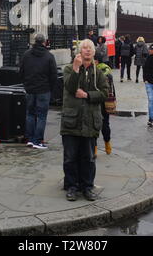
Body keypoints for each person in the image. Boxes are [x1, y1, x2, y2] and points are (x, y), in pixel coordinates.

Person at [61, 39, 109, 202]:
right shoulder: (69, 68)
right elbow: (70, 87)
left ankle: (87, 187)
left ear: (94, 52)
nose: (87, 50)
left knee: (88, 158)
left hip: (90, 122)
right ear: (79, 52)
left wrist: (88, 95)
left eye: (90, 48)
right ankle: (72, 187)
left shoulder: (99, 73)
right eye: (84, 48)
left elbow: (104, 93)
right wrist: (75, 68)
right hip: (71, 121)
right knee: (70, 157)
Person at [20, 33, 58, 149]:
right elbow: (54, 75)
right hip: (44, 89)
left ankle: (30, 139)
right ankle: (37, 141)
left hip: (30, 89)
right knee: (41, 116)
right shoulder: (49, 56)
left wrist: (26, 84)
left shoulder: (26, 55)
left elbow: (21, 71)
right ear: (44, 42)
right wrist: (50, 88)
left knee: (30, 114)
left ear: (34, 41)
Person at [94, 53, 115, 155]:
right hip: (106, 102)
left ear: (96, 61)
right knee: (105, 123)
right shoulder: (108, 70)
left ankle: (94, 148)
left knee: (94, 124)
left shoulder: (95, 71)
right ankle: (107, 144)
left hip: (96, 101)